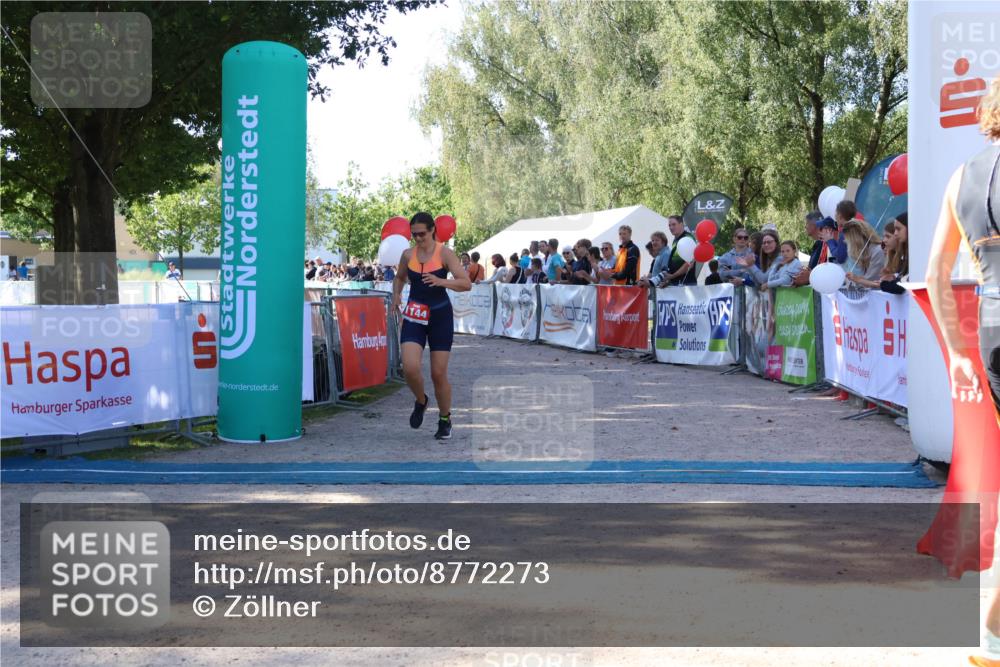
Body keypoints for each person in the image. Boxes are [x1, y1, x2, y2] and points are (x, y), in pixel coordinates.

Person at [925, 77, 1000, 667]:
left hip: (993, 336)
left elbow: (937, 273)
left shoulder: (959, 178)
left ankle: (994, 635)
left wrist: (955, 352)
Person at [391, 212, 471, 440]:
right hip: (415, 315)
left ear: (433, 229)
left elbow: (466, 283)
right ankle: (421, 400)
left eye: (422, 234)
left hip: (439, 317)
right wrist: (396, 295)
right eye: (414, 235)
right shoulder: (408, 255)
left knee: (438, 373)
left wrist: (441, 281)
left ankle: (445, 419)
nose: (418, 239)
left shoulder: (445, 253)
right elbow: (399, 278)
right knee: (410, 367)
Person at [847, 220, 897, 290]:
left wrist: (857, 280)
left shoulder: (878, 251)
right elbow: (879, 283)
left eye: (888, 236)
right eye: (884, 236)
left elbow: (873, 281)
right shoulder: (869, 252)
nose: (884, 240)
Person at [654, 216, 696, 286]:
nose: (671, 227)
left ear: (681, 224)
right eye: (669, 225)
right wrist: (668, 280)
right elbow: (675, 263)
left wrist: (672, 276)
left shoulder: (688, 238)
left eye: (674, 224)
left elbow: (689, 264)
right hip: (676, 283)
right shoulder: (675, 240)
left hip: (687, 284)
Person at [843, 219, 886, 286]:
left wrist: (856, 279)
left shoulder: (878, 251)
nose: (846, 242)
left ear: (855, 240)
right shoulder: (866, 252)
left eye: (848, 240)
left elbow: (871, 280)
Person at [879, 214, 908, 295]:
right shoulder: (904, 254)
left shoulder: (912, 254)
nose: (895, 233)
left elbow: (901, 285)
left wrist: (884, 283)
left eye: (898, 229)